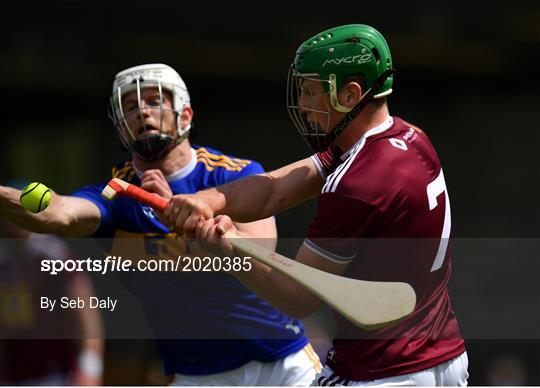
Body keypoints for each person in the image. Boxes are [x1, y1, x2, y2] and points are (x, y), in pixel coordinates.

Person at [164, 24, 469, 386]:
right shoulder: (410, 137)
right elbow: (273, 191)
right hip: (445, 358)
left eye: (312, 91)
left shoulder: (357, 184)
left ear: (351, 94)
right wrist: (207, 200)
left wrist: (229, 250)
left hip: (382, 372)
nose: (304, 105)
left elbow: (298, 298)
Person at [0, 63, 320, 385]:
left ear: (185, 115)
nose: (142, 112)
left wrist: (183, 216)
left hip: (282, 365)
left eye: (154, 101)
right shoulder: (116, 195)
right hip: (197, 375)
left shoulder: (235, 175)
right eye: (130, 106)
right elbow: (61, 213)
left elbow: (263, 250)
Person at [0, 211, 104, 385]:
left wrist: (90, 367)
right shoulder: (4, 260)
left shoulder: (54, 254)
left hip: (58, 374)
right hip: (14, 375)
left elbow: (87, 312)